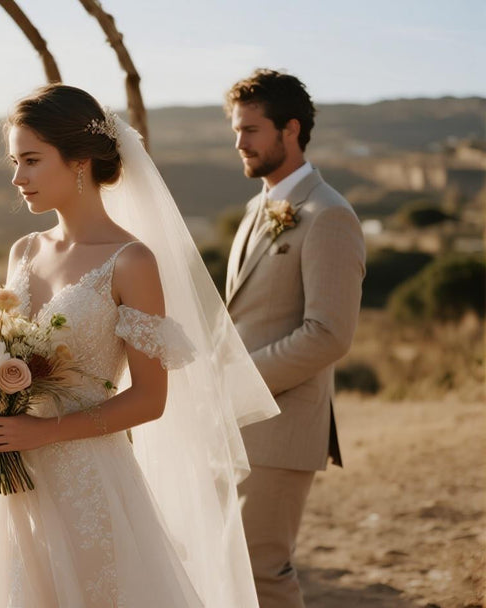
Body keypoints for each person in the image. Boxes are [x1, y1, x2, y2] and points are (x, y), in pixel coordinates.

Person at [0, 83, 280, 607]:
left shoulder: (131, 262)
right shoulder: (23, 252)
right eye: (14, 161)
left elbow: (151, 399)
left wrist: (46, 431)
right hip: (13, 478)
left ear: (81, 161)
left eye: (32, 161)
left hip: (88, 482)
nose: (18, 178)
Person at [224, 69, 366, 608]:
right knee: (232, 569)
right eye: (236, 130)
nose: (240, 142)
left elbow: (328, 335)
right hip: (238, 424)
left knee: (264, 573)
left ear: (291, 130)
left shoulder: (329, 215)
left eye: (252, 130)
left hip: (282, 428)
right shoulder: (253, 210)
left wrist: (236, 384)